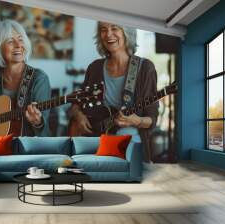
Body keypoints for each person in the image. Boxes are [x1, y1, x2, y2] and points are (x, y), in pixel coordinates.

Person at [68, 22, 158, 162]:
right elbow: (76, 104)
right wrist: (79, 116)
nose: (108, 34)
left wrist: (137, 120)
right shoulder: (94, 68)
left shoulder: (145, 68)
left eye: (114, 28)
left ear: (126, 33)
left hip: (129, 144)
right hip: (94, 144)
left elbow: (152, 120)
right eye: (103, 29)